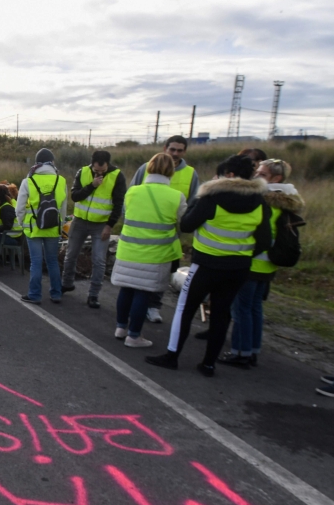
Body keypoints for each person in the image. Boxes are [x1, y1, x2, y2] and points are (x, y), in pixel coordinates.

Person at [146, 154, 270, 377]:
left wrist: (199, 197)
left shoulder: (212, 197)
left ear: (229, 175)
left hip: (206, 264)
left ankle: (172, 356)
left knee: (185, 309)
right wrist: (241, 254)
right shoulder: (260, 202)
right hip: (238, 268)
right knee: (222, 314)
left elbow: (186, 224)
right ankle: (209, 364)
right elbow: (264, 240)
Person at [219, 158, 303, 368]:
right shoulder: (285, 200)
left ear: (276, 178)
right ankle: (252, 349)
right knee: (255, 308)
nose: (256, 176)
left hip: (253, 262)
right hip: (268, 265)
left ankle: (241, 352)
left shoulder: (264, 200)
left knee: (241, 310)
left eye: (262, 174)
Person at [110, 153, 187, 348]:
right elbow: (184, 223)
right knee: (143, 293)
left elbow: (127, 214)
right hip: (155, 253)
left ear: (149, 168)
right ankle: (134, 336)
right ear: (171, 171)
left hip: (128, 249)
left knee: (126, 290)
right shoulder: (176, 197)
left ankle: (120, 327)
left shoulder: (133, 192)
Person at [130, 135, 201, 323]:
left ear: (184, 151)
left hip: (168, 235)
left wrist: (182, 226)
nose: (176, 153)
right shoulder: (145, 169)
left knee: (162, 274)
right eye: (172, 149)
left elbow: (193, 204)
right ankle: (135, 305)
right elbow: (130, 196)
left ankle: (153, 306)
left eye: (180, 150)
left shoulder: (190, 174)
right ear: (165, 148)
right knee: (138, 272)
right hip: (140, 232)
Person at [63, 150, 126, 308]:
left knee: (98, 260)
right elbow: (75, 196)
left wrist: (109, 226)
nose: (99, 173)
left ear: (108, 165)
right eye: (96, 170)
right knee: (70, 254)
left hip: (101, 225)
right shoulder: (83, 172)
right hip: (80, 221)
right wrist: (92, 185)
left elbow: (119, 204)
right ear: (92, 164)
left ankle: (93, 294)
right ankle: (67, 283)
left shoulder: (117, 176)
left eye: (102, 170)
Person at [17, 148, 68, 304]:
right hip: (53, 228)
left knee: (36, 262)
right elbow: (63, 208)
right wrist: (61, 222)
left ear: (36, 164)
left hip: (33, 229)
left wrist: (22, 223)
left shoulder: (28, 181)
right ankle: (56, 293)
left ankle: (35, 294)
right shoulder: (61, 181)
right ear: (52, 163)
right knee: (52, 261)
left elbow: (19, 208)